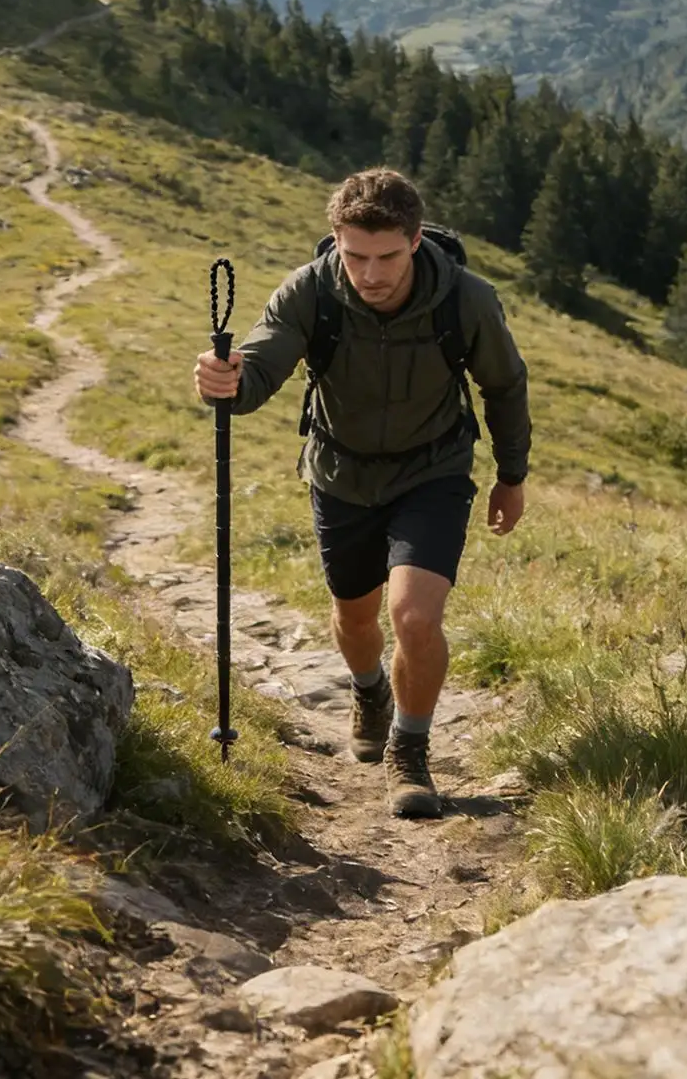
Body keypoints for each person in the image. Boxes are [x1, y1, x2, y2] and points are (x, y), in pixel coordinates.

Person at [193, 168, 531, 817]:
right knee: (354, 618)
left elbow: (504, 385)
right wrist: (226, 380)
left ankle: (409, 751)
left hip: (432, 472)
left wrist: (510, 476)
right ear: (336, 242)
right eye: (354, 257)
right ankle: (369, 689)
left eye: (387, 257)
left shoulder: (465, 298)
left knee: (414, 617)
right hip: (339, 474)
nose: (370, 275)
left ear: (415, 240)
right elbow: (260, 367)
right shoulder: (309, 291)